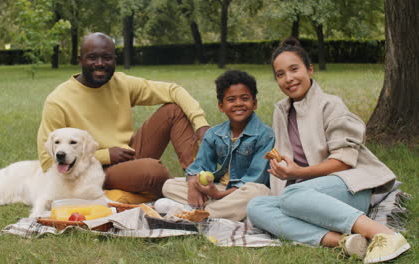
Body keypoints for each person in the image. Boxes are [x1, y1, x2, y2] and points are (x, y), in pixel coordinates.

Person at [246, 38, 410, 263]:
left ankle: (386, 235)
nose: (288, 78)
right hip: (306, 194)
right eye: (280, 74)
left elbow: (343, 161)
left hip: (348, 187)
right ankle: (345, 241)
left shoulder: (330, 105)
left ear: (310, 70)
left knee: (291, 196)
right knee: (256, 206)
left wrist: (297, 174)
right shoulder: (281, 112)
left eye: (294, 69)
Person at [37, 32, 210, 198]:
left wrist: (200, 123)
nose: (100, 63)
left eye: (106, 57)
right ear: (80, 60)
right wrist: (106, 155)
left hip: (128, 154)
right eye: (92, 58)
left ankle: (195, 178)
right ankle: (170, 191)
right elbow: (47, 162)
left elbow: (173, 90)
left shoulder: (121, 83)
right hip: (94, 169)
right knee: (154, 172)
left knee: (174, 111)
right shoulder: (58, 101)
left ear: (114, 60)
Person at [159, 70, 274, 221]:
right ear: (221, 106)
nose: (238, 103)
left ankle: (197, 213)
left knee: (259, 192)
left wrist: (218, 195)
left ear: (254, 103)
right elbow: (198, 167)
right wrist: (195, 186)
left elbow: (255, 179)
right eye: (231, 99)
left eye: (244, 98)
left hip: (240, 191)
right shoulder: (214, 134)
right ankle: (214, 211)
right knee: (169, 185)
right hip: (217, 187)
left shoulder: (265, 135)